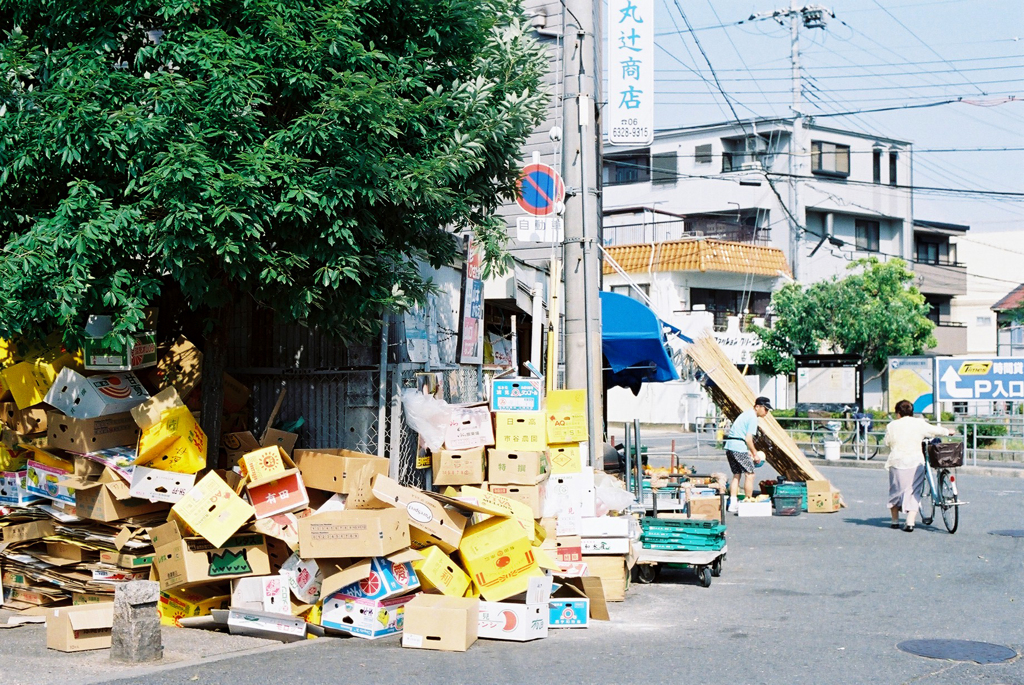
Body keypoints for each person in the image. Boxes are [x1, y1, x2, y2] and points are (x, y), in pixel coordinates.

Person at [883, 399, 952, 532]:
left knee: (896, 490)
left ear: (898, 413)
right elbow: (935, 430)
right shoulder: (919, 423)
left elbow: (887, 442)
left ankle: (895, 520)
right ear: (912, 412)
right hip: (915, 461)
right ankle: (910, 521)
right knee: (913, 491)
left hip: (897, 461)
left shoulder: (892, 425)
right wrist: (948, 431)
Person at [724, 397, 771, 513]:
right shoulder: (753, 418)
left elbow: (739, 435)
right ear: (757, 407)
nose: (766, 412)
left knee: (736, 475)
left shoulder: (746, 414)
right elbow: (748, 439)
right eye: (765, 409)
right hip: (738, 447)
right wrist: (755, 454)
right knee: (750, 474)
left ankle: (733, 503)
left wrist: (748, 451)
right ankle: (748, 501)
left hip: (730, 446)